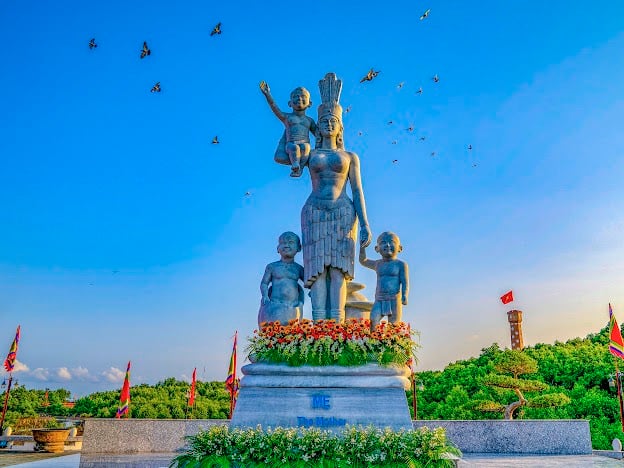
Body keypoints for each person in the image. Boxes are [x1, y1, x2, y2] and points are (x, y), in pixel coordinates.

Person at [302, 73, 372, 323]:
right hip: (315, 212)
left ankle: (337, 327)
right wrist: (294, 125)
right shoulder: (310, 153)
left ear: (340, 126)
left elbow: (357, 190)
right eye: (324, 121)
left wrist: (364, 223)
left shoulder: (350, 156)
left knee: (339, 271)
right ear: (318, 126)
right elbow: (282, 157)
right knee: (318, 271)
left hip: (343, 212)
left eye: (333, 121)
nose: (329, 124)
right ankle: (320, 327)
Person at [259, 81, 317, 177]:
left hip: (305, 143)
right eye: (296, 96)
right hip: (291, 143)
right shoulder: (287, 117)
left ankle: (299, 169)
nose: (299, 98)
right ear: (290, 103)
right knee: (294, 148)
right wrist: (268, 95)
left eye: (303, 96)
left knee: (306, 148)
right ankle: (295, 164)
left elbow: (318, 134)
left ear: (309, 103)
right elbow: (274, 107)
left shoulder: (309, 120)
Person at [359, 231, 409, 330]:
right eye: (383, 242)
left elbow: (405, 282)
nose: (387, 245)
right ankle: (374, 344)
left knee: (394, 326)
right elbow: (363, 261)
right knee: (373, 321)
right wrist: (362, 247)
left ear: (400, 248)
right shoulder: (378, 264)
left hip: (394, 299)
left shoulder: (400, 264)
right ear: (377, 248)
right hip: (379, 299)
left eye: (392, 242)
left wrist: (404, 295)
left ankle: (391, 344)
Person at [258, 231, 305, 327]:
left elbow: (309, 282)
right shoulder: (272, 266)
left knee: (292, 335)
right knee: (272, 332)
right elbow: (264, 283)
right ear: (278, 248)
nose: (286, 246)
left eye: (290, 242)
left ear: (299, 248)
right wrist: (265, 295)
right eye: (283, 243)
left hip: (293, 306)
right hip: (274, 305)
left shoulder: (298, 268)